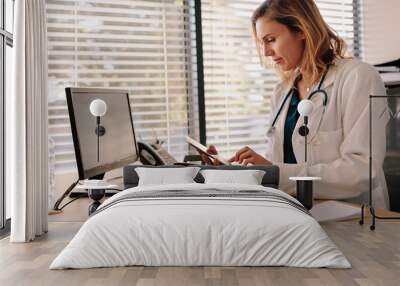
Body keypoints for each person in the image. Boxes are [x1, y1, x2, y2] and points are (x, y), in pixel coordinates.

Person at [200, 0, 390, 209]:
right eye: (262, 43)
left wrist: (275, 172)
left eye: (271, 39)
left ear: (301, 30)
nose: (266, 52)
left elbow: (361, 171)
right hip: (296, 214)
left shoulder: (357, 77)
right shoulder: (282, 91)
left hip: (353, 218)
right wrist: (236, 171)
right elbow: (279, 164)